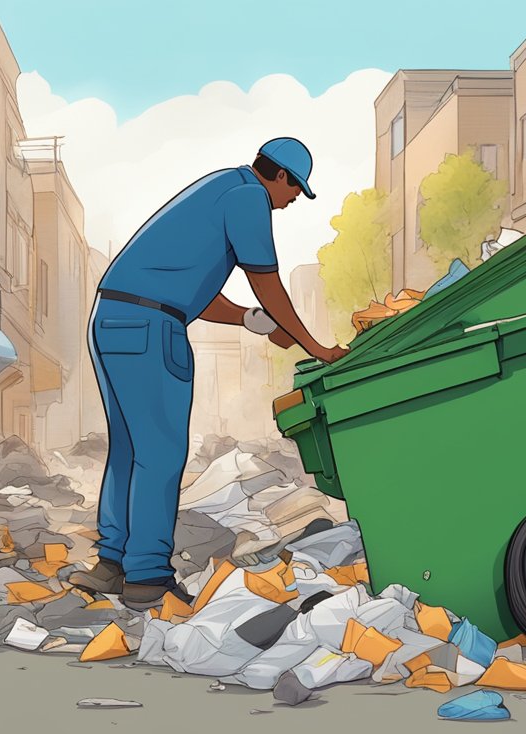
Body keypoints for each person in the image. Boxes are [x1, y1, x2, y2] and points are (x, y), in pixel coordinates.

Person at [74, 137, 348, 610]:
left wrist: (251, 321)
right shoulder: (248, 197)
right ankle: (148, 575)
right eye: (295, 189)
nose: (292, 201)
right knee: (160, 452)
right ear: (278, 175)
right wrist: (314, 346)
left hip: (113, 318)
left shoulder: (218, 188)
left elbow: (184, 289)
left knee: (129, 447)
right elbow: (267, 281)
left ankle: (112, 563)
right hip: (152, 329)